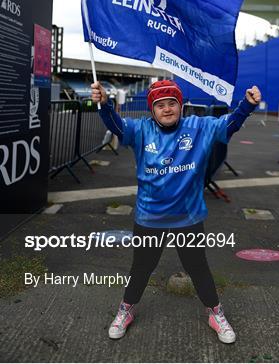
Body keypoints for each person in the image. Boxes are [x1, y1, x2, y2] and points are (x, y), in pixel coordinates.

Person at [91, 79, 261, 344]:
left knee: (198, 267)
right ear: (152, 110)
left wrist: (247, 106)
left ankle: (215, 313)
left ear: (181, 106)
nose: (167, 109)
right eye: (160, 105)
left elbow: (229, 124)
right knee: (141, 268)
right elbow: (117, 126)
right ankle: (126, 309)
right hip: (150, 217)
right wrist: (104, 105)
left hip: (188, 216)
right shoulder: (141, 130)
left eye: (172, 103)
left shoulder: (198, 126)